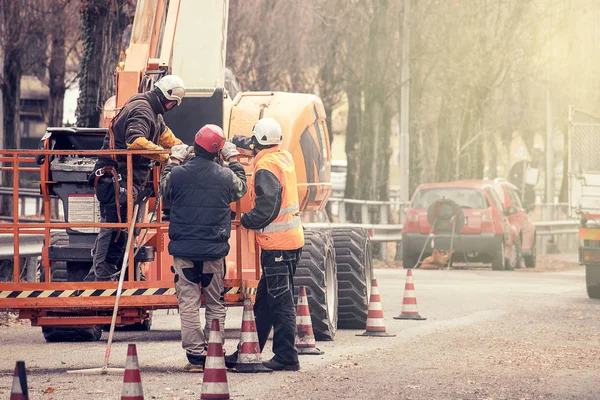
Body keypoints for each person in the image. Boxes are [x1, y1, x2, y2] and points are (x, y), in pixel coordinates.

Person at [160, 124, 247, 372]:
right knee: (215, 302)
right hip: (213, 251)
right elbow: (241, 187)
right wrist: (233, 160)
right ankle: (214, 351)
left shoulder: (178, 174)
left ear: (194, 147)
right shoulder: (225, 176)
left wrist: (174, 161)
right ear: (218, 152)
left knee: (188, 302)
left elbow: (163, 189)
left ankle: (196, 357)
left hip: (184, 251)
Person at [87, 75, 187, 282]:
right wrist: (167, 155)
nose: (172, 107)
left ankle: (103, 275)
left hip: (125, 180)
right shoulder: (143, 110)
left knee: (121, 228)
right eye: (173, 103)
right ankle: (101, 278)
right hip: (117, 179)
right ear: (167, 98)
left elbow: (166, 137)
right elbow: (136, 142)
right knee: (114, 228)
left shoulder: (153, 112)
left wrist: (185, 150)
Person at [230, 118, 304, 371]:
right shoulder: (281, 155)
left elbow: (268, 206)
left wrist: (247, 220)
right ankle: (248, 351)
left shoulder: (265, 167)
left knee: (280, 302)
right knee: (264, 302)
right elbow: (252, 144)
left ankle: (286, 356)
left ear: (257, 141)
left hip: (277, 246)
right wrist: (232, 143)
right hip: (289, 241)